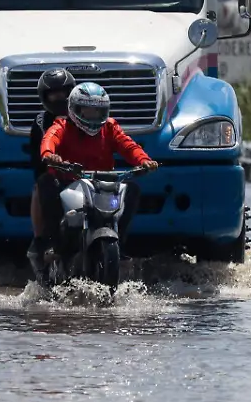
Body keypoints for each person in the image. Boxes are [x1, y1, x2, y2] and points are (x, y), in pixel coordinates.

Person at [29, 82, 159, 282]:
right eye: (87, 111)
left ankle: (119, 242)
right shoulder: (61, 125)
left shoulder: (110, 127)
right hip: (69, 182)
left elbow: (128, 145)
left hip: (103, 184)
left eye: (98, 111)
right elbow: (49, 140)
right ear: (73, 109)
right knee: (46, 182)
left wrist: (144, 160)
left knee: (132, 189)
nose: (93, 116)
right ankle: (53, 243)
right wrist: (49, 155)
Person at [26, 69, 75, 279]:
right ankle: (44, 241)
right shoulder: (41, 123)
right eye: (53, 95)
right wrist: (52, 159)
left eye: (64, 93)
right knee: (43, 183)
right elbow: (42, 153)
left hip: (86, 174)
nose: (59, 99)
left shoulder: (88, 115)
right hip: (55, 175)